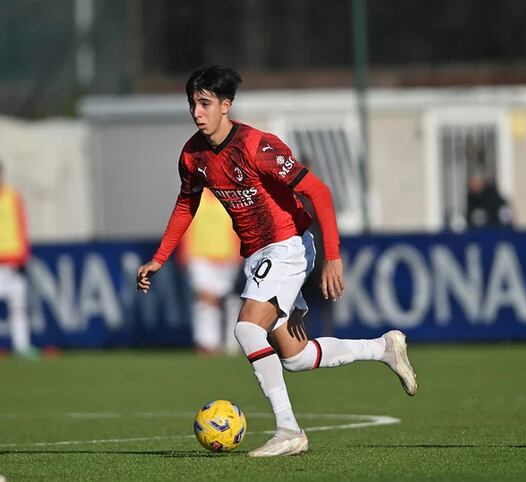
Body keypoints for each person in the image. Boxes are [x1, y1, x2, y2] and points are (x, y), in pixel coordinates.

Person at [136, 66, 417, 457]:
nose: (197, 112)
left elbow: (319, 192)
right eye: (192, 104)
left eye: (205, 103)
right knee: (297, 358)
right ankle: (383, 348)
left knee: (246, 330)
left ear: (225, 105)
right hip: (256, 255)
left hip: (287, 244)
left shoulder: (256, 146)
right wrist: (159, 258)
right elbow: (187, 203)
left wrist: (333, 257)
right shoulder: (193, 155)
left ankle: (289, 430)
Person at [179, 187, 242, 355]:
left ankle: (232, 343)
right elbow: (185, 226)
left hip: (227, 257)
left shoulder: (231, 198)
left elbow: (238, 227)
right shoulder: (195, 198)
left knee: (227, 300)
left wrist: (239, 252)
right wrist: (184, 252)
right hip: (200, 255)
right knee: (205, 297)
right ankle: (207, 342)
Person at [0, 161, 34, 359]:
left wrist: (23, 256)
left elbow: (21, 227)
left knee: (18, 306)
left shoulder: (13, 197)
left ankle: (22, 347)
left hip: (12, 261)